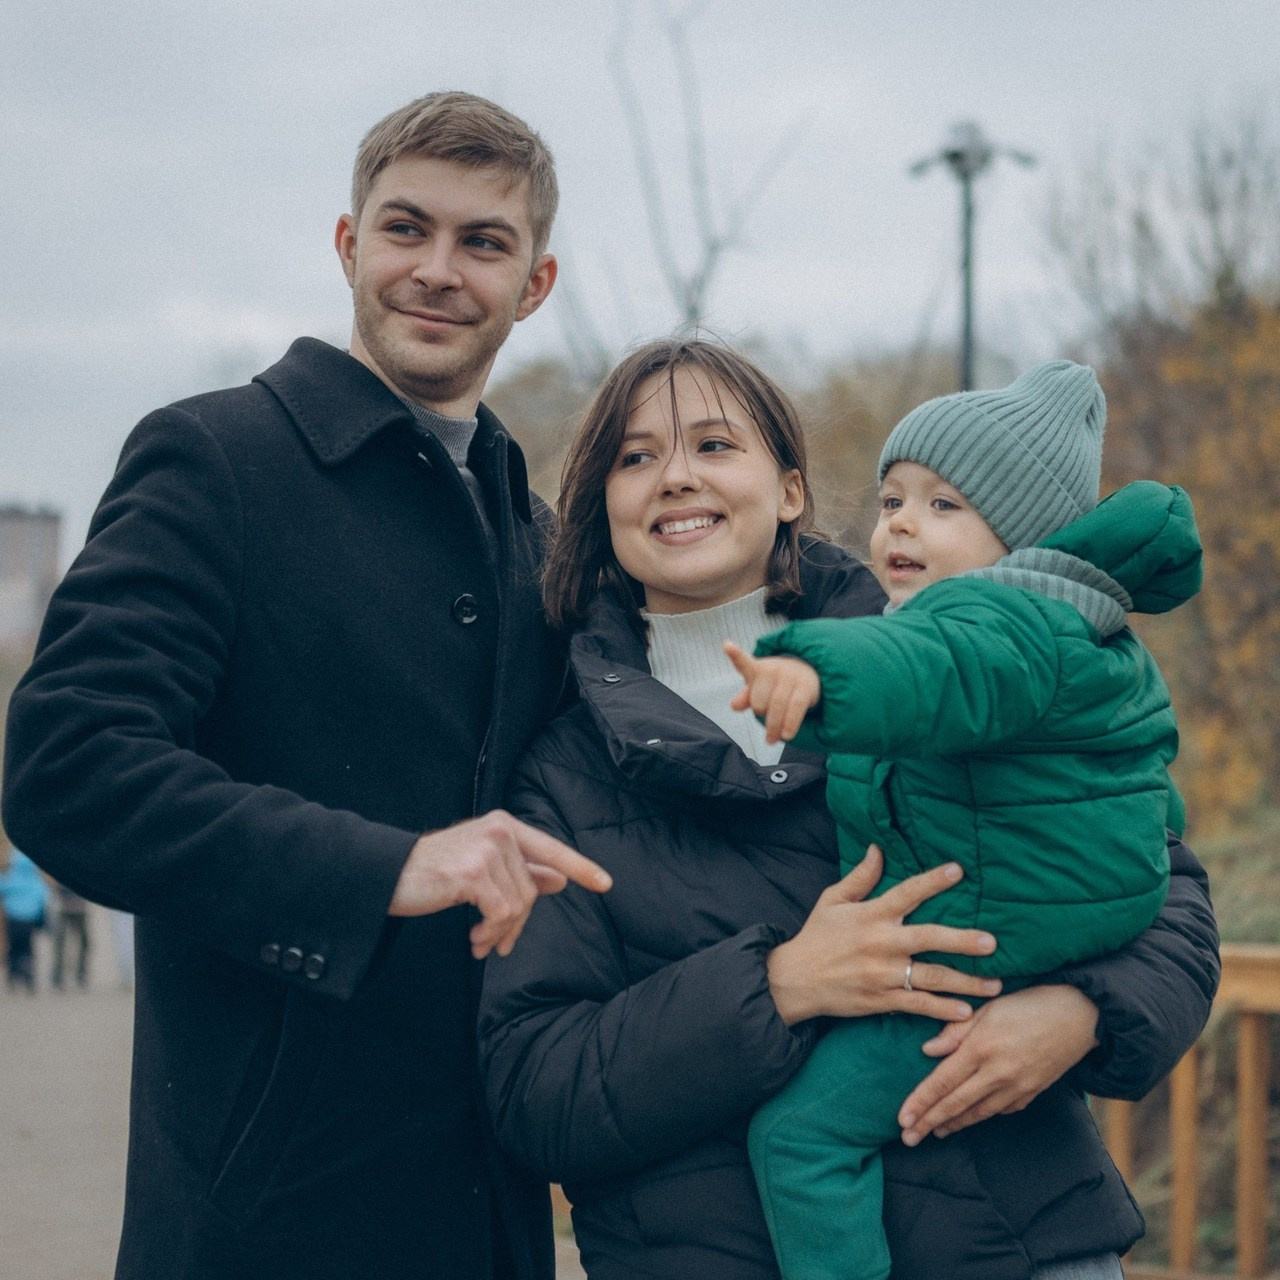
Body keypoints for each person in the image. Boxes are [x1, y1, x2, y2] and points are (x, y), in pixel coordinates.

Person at [2, 91, 611, 1280]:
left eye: (483, 242)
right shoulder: (213, 458)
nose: (437, 270)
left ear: (533, 283)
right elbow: (67, 765)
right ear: (348, 245)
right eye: (405, 229)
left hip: (491, 1213)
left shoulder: (535, 537)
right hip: (264, 1217)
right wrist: (386, 864)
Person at [477, 337, 1220, 1280]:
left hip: (1023, 1246)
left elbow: (1164, 887)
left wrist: (1083, 1011)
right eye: (634, 457)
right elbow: (541, 1093)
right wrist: (780, 984)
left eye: (713, 445)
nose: (673, 477)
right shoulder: (562, 776)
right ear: (601, 505)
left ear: (789, 489)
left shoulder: (951, 652)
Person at [728, 361, 1201, 1280]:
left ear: (1021, 542)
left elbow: (931, 664)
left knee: (801, 1137)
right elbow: (1147, 806)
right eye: (893, 497)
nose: (901, 521)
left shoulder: (996, 625)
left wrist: (815, 671)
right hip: (1045, 931)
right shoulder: (1082, 634)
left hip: (974, 958)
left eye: (944, 506)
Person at [0, 847, 48, 992]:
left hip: (13, 921)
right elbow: (42, 901)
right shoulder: (36, 882)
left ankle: (13, 976)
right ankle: (28, 976)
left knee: (14, 949)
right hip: (29, 923)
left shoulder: (10, 879)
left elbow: (2, 889)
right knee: (28, 949)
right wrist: (41, 922)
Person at [50, 880, 91, 989]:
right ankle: (58, 976)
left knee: (83, 943)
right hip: (64, 906)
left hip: (79, 907)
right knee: (61, 944)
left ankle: (80, 975)